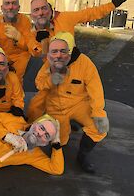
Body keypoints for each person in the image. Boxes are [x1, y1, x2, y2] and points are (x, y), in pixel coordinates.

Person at [27, 32, 109, 173]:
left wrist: (98, 113)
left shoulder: (86, 64)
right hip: (55, 107)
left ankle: (82, 156)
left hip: (79, 104)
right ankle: (59, 149)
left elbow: (96, 90)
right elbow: (39, 83)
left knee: (98, 129)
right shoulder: (50, 61)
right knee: (61, 137)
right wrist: (51, 80)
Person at [29, 0, 127, 57]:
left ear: (51, 8)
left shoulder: (65, 17)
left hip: (71, 61)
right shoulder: (37, 28)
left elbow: (89, 14)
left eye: (45, 8)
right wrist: (38, 42)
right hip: (51, 67)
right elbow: (36, 53)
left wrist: (111, 5)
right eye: (37, 10)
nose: (41, 13)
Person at [0, 0, 40, 83]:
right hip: (3, 56)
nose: (10, 7)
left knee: (15, 79)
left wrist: (18, 37)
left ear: (19, 8)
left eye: (14, 3)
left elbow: (30, 46)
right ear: (2, 8)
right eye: (7, 3)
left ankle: (17, 95)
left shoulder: (25, 21)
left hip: (21, 56)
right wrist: (2, 60)